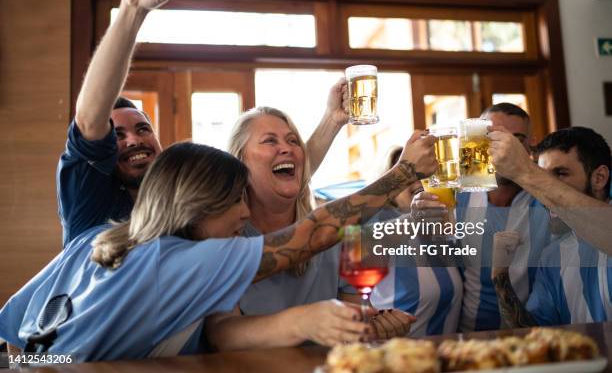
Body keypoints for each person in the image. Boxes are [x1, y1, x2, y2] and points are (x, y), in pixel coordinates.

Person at [0, 132, 438, 362]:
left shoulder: (94, 241)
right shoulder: (183, 260)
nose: (244, 215)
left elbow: (14, 334)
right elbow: (313, 235)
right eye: (234, 200)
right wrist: (401, 175)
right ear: (197, 205)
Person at [57, 0, 346, 247]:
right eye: (117, 135)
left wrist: (332, 120)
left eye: (143, 128)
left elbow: (273, 171)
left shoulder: (178, 201)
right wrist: (133, 10)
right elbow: (89, 120)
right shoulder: (90, 199)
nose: (134, 139)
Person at [205, 108, 415, 349]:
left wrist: (372, 327)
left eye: (293, 141)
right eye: (269, 141)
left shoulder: (338, 231)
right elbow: (221, 333)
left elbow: (352, 326)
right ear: (239, 161)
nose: (287, 148)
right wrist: (302, 322)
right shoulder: (226, 234)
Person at [411, 103, 552, 332]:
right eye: (491, 138)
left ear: (530, 145)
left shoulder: (547, 200)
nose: (501, 149)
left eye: (515, 140)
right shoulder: (457, 197)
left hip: (533, 335)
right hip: (468, 336)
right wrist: (418, 216)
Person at [491, 127, 611, 327]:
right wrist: (500, 275)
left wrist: (525, 171)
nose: (543, 192)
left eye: (561, 173)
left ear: (599, 178)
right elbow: (532, 334)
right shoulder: (552, 256)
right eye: (543, 175)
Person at [370, 146, 464, 336]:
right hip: (397, 358)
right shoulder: (380, 223)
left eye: (424, 172)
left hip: (443, 357)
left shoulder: (440, 231)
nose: (418, 180)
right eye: (406, 174)